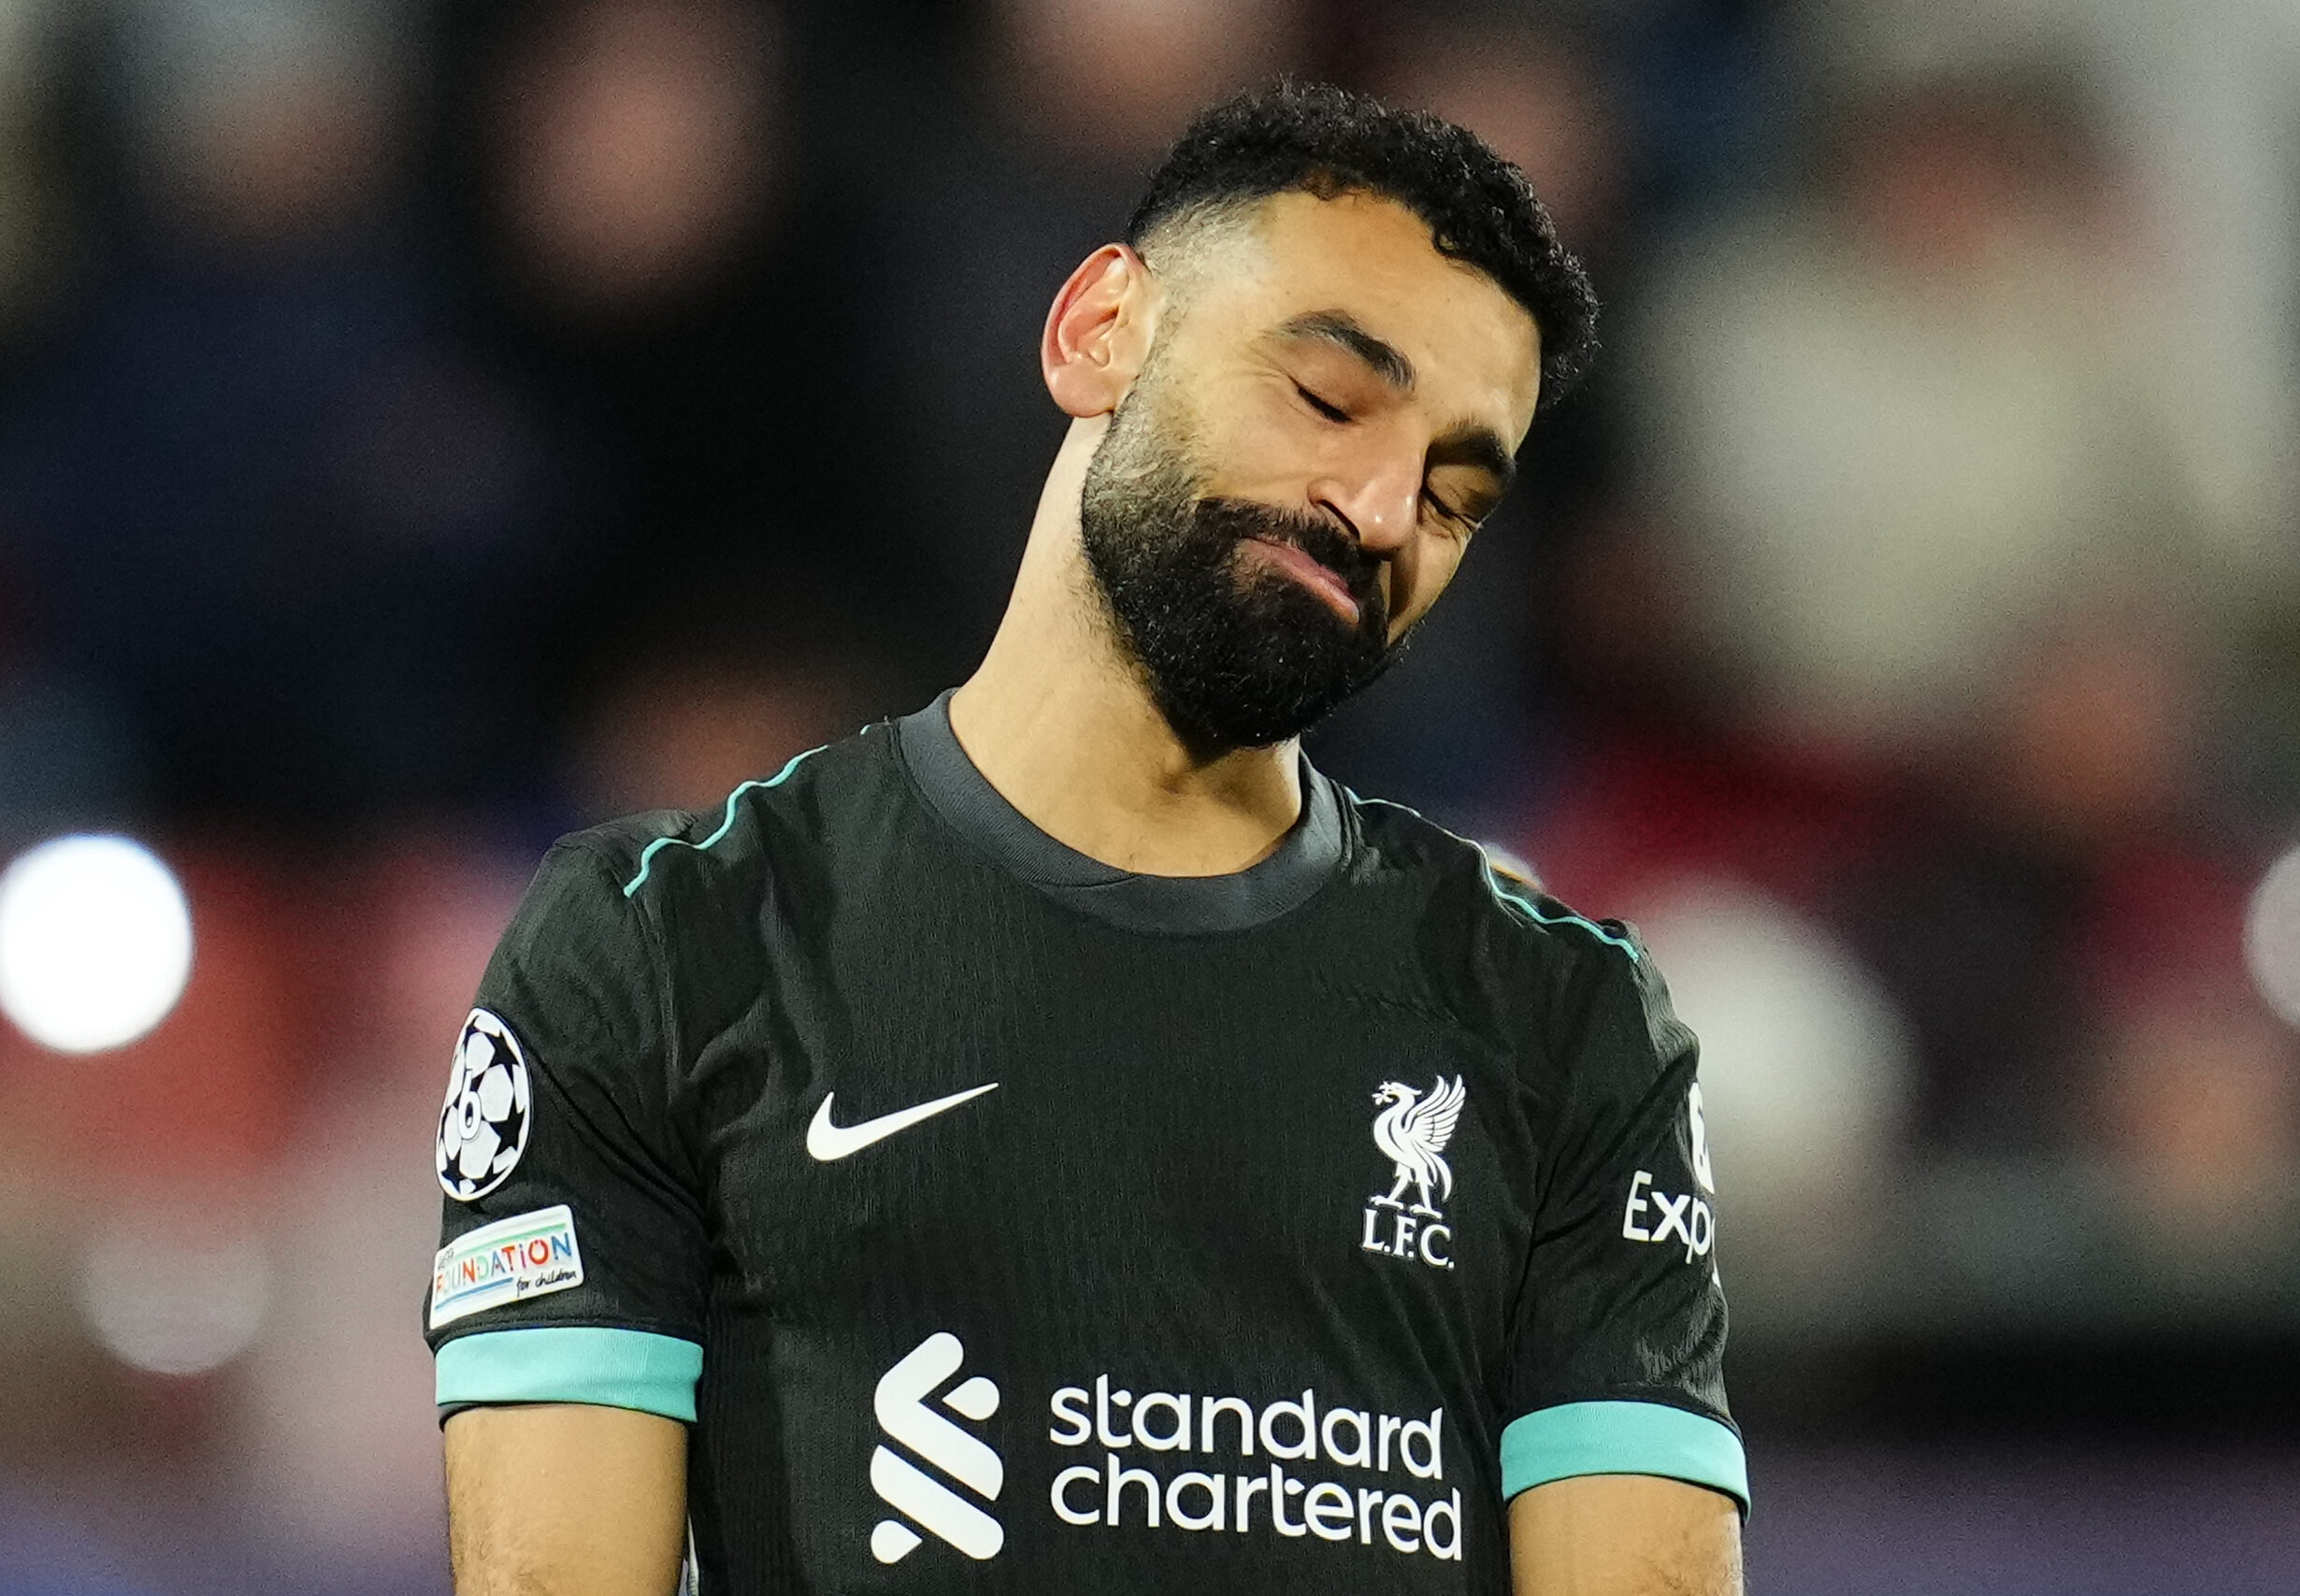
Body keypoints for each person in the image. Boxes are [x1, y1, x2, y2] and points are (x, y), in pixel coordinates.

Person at [426, 81, 1746, 1595]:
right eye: (1326, 399)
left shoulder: (1563, 1024)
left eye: (1454, 497)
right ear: (1097, 331)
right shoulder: (664, 951)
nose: (1382, 510)